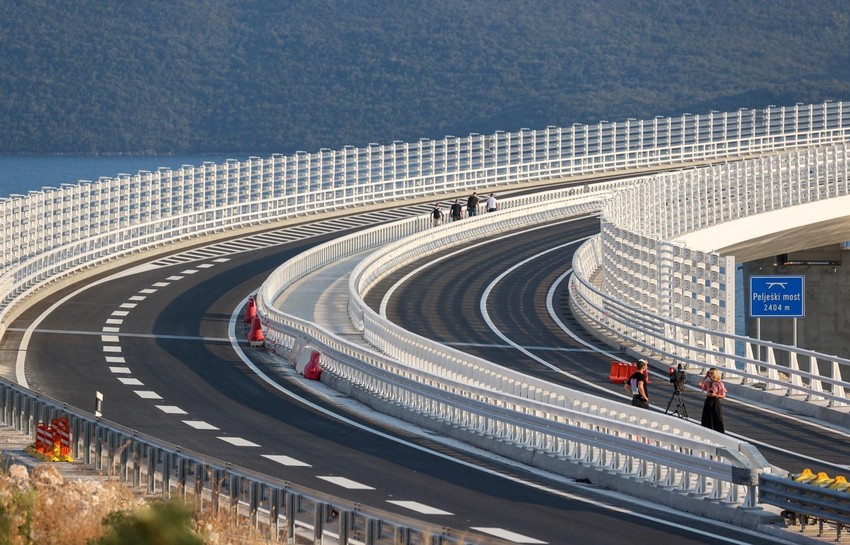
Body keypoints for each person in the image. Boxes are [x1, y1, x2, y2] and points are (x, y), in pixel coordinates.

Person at [698, 368, 726, 433]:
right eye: (709, 373)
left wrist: (714, 395)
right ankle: (707, 432)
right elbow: (699, 384)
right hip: (708, 401)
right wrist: (705, 376)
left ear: (715, 374)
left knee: (716, 418)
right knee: (707, 418)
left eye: (712, 373)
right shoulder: (708, 382)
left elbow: (723, 395)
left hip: (715, 402)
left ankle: (718, 433)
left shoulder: (719, 383)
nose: (710, 375)